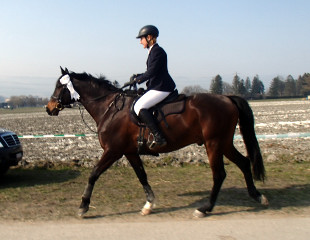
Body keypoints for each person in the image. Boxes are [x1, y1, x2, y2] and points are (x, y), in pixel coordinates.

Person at [131, 25, 176, 149]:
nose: (140, 42)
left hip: (162, 87)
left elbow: (152, 72)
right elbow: (150, 71)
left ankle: (159, 137)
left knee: (139, 106)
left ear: (149, 37)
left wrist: (137, 80)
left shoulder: (158, 51)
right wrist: (137, 76)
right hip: (156, 86)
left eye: (142, 39)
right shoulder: (152, 51)